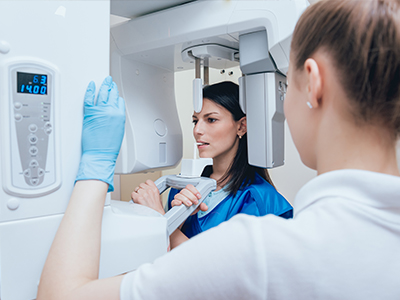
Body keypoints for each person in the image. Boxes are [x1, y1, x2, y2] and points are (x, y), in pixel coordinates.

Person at [37, 0, 400, 299]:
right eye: (196, 119)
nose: (198, 129)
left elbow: (60, 294)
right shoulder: (199, 189)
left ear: (314, 82)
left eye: (286, 85)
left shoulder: (259, 249)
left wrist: (95, 168)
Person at [131, 82, 292, 249]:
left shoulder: (258, 199)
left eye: (211, 120)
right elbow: (161, 256)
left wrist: (160, 219)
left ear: (241, 126)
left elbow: (222, 271)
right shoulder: (183, 187)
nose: (197, 130)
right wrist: (174, 220)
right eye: (195, 121)